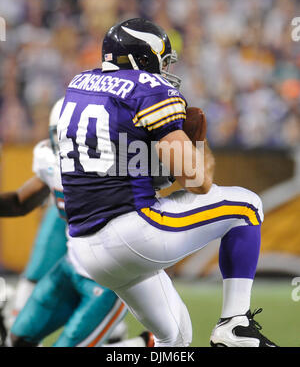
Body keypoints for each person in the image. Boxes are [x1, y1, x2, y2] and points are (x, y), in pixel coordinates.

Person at [58, 18, 278, 347]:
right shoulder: (148, 89)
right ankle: (235, 324)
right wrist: (198, 145)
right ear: (142, 59)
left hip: (86, 249)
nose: (164, 70)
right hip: (132, 233)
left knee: (174, 338)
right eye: (161, 61)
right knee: (247, 206)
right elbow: (197, 182)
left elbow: (145, 176)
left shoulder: (79, 85)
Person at [0, 98, 153, 347]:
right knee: (17, 340)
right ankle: (136, 343)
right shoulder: (51, 164)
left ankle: (145, 346)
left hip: (107, 280)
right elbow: (20, 202)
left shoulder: (115, 168)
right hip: (70, 266)